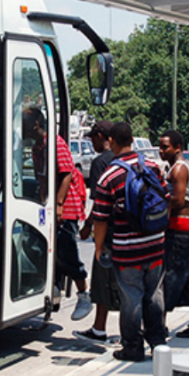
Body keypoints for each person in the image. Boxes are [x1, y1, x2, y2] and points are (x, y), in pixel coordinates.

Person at [92, 122, 169, 362]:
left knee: (131, 297)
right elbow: (165, 197)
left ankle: (133, 347)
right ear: (133, 140)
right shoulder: (152, 166)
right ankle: (158, 343)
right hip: (155, 245)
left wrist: (99, 247)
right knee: (154, 295)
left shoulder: (109, 177)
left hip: (128, 250)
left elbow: (100, 218)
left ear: (112, 141)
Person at [24, 107, 93, 319]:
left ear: (36, 124)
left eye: (24, 122)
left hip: (65, 208)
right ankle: (51, 288)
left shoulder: (55, 143)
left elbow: (67, 174)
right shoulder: (37, 147)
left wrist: (59, 204)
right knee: (39, 249)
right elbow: (42, 177)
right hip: (48, 206)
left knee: (67, 252)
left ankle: (84, 294)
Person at [75, 121, 121, 343]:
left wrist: (88, 226)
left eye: (92, 138)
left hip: (109, 232)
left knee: (103, 282)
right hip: (129, 231)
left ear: (101, 136)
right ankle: (113, 328)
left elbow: (100, 203)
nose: (91, 143)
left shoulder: (100, 163)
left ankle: (100, 329)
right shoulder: (124, 159)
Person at [158, 130, 189, 338]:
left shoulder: (177, 170)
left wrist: (160, 200)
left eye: (165, 147)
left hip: (178, 229)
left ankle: (159, 324)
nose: (161, 151)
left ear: (177, 147)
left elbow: (177, 201)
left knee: (169, 276)